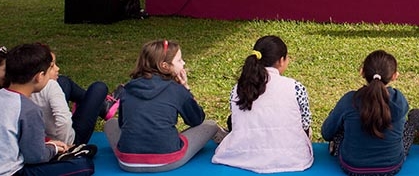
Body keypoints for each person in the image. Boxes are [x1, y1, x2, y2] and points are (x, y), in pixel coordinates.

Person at [104, 39, 221, 173]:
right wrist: (186, 89)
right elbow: (196, 119)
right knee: (210, 125)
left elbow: (122, 124)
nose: (183, 63)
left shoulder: (127, 88)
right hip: (167, 160)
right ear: (164, 65)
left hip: (127, 162)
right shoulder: (176, 89)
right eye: (179, 60)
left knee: (110, 124)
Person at [212, 36, 314, 173]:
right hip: (293, 159)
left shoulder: (238, 88)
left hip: (242, 156)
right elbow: (305, 124)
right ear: (281, 61)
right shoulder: (295, 87)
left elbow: (237, 119)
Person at [0, 43, 95, 176]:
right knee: (84, 166)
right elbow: (34, 157)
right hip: (11, 172)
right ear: (39, 76)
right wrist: (54, 148)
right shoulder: (29, 109)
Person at [322, 50, 416, 176]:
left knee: (339, 123)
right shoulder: (399, 100)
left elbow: (327, 133)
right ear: (395, 76)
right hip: (391, 168)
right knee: (408, 127)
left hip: (353, 168)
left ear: (362, 72)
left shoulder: (350, 100)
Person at [32, 50, 116, 145]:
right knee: (99, 87)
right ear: (40, 75)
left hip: (44, 138)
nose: (57, 68)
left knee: (64, 80)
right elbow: (64, 121)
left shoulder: (21, 88)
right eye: (51, 66)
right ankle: (102, 107)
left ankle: (99, 107)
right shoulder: (52, 86)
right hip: (67, 142)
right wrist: (64, 146)